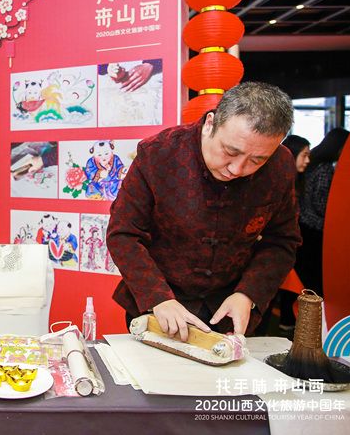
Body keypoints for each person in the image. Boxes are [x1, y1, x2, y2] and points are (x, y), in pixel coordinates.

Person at [107, 82, 301, 340]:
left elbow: (282, 241)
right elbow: (123, 233)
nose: (237, 169)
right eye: (230, 151)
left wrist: (248, 294)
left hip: (233, 307)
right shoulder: (158, 153)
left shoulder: (281, 165)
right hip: (160, 304)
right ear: (210, 123)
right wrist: (157, 298)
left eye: (257, 160)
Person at [257, 134, 310, 335]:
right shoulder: (271, 180)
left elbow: (285, 236)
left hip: (280, 252)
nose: (307, 160)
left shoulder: (297, 181)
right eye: (304, 155)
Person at [296, 128, 350, 297]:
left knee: (303, 274)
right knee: (314, 276)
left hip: (303, 224)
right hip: (315, 228)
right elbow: (321, 203)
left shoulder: (312, 164)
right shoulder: (325, 169)